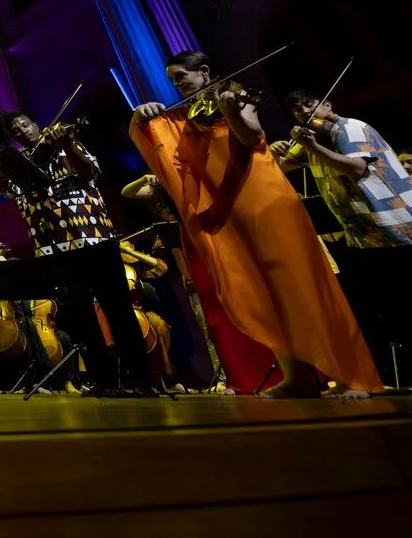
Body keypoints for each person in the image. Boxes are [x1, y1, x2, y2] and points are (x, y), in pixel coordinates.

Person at [130, 51, 382, 398]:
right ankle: (296, 377)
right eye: (173, 80)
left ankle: (354, 376)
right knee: (265, 291)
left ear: (204, 71)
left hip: (264, 200)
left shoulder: (235, 93)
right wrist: (142, 114)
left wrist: (232, 112)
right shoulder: (190, 113)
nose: (177, 84)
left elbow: (251, 137)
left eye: (181, 77)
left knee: (302, 286)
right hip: (232, 207)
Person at [272, 92, 412, 392]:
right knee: (390, 309)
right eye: (297, 109)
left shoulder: (349, 128)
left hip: (402, 228)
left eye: (310, 104)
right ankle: (407, 375)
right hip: (368, 235)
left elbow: (357, 168)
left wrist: (311, 146)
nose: (304, 111)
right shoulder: (313, 138)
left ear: (327, 105)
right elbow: (281, 166)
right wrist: (275, 149)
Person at [0, 110, 153, 394]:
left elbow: (90, 172)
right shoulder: (20, 165)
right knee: (80, 318)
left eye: (26, 124)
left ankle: (140, 379)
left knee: (119, 309)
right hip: (53, 249)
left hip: (95, 239)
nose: (22, 131)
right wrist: (14, 162)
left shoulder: (67, 149)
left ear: (37, 124)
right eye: (16, 131)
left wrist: (66, 144)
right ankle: (103, 380)